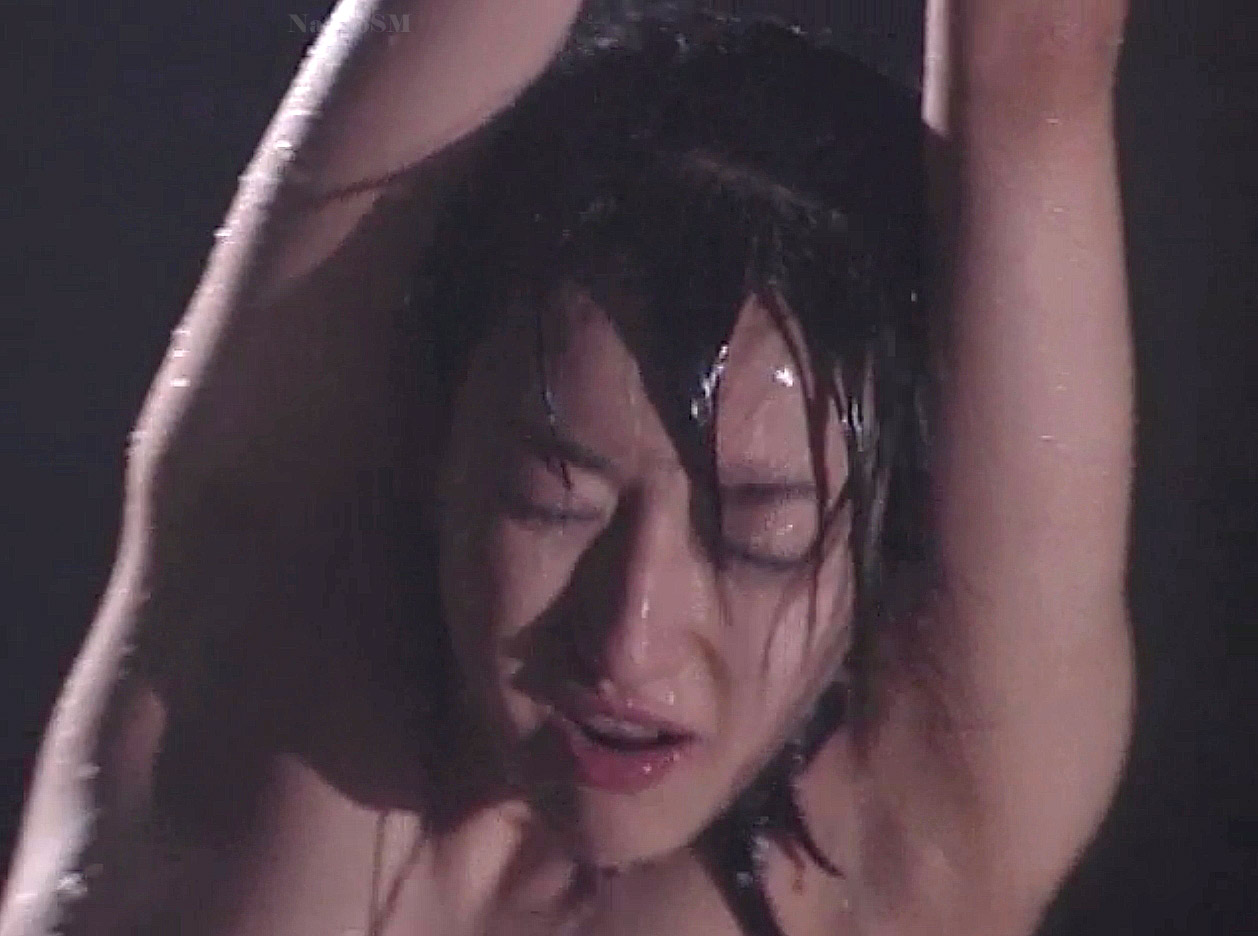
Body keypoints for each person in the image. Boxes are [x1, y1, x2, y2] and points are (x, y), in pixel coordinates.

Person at [0, 1, 1135, 935]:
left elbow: (1035, 62)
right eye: (554, 502)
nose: (629, 640)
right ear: (439, 450)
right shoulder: (251, 682)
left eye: (760, 539)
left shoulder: (905, 848)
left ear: (876, 547)